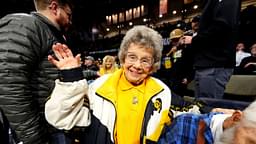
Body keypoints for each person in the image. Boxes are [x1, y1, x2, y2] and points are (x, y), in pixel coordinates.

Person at [45, 25, 201, 144]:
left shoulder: (161, 91)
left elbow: (191, 110)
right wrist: (71, 78)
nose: (137, 65)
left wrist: (218, 116)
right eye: (132, 57)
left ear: (153, 65)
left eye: (145, 60)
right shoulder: (99, 87)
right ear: (123, 58)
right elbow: (60, 118)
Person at [0, 0, 73, 143]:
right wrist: (34, 137)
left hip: (53, 127)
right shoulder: (25, 25)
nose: (70, 21)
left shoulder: (47, 32)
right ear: (54, 8)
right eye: (69, 15)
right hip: (41, 131)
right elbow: (9, 85)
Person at [191, 0, 241, 99]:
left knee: (209, 107)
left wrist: (194, 39)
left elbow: (222, 27)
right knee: (201, 107)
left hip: (215, 64)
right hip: (208, 64)